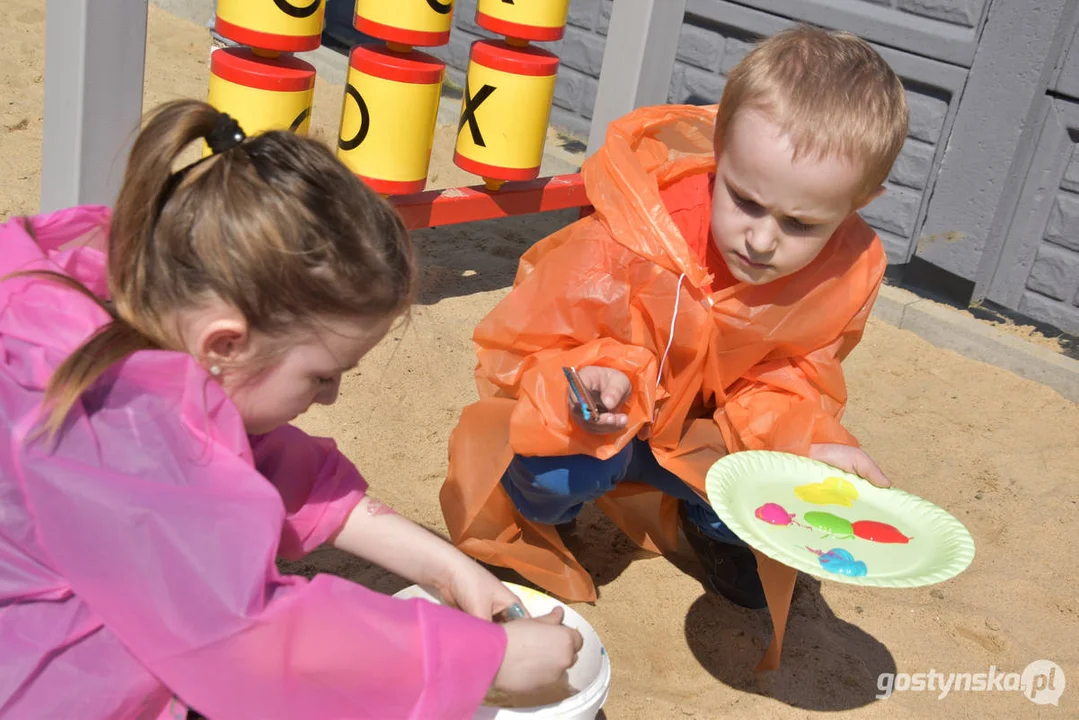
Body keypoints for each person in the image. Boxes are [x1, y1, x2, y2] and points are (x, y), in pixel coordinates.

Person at [0, 100, 581, 720]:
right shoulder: (113, 420)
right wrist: (488, 659)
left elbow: (251, 458)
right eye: (322, 375)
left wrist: (447, 567)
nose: (330, 396)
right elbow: (247, 638)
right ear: (225, 342)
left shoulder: (137, 296)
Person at [440, 25, 909, 616]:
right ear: (719, 148)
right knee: (553, 467)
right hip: (608, 426)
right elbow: (534, 342)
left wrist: (804, 438)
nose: (761, 240)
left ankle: (714, 529)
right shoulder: (641, 232)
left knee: (774, 488)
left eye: (801, 225)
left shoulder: (848, 269)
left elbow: (792, 373)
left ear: (860, 202)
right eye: (744, 200)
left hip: (708, 436)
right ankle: (543, 519)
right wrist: (595, 373)